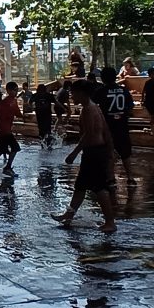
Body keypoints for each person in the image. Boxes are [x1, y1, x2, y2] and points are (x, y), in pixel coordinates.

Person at [51, 81, 116, 232]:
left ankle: (110, 222)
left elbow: (89, 134)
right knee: (80, 186)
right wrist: (110, 149)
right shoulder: (95, 107)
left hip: (93, 151)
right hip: (97, 151)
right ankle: (68, 216)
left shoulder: (87, 110)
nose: (71, 95)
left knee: (99, 188)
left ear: (82, 93)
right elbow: (106, 130)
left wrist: (73, 153)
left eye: (73, 93)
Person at [94, 67, 135, 185]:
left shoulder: (101, 91)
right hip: (122, 126)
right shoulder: (123, 90)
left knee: (109, 153)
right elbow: (131, 106)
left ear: (103, 78)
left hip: (107, 127)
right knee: (126, 153)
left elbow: (92, 104)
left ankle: (111, 178)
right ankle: (130, 178)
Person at [32, 83, 55, 149]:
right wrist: (64, 108)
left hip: (40, 115)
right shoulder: (48, 95)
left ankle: (43, 144)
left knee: (41, 130)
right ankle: (48, 144)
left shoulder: (35, 95)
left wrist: (32, 107)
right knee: (48, 129)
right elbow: (56, 102)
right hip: (47, 115)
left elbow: (30, 102)